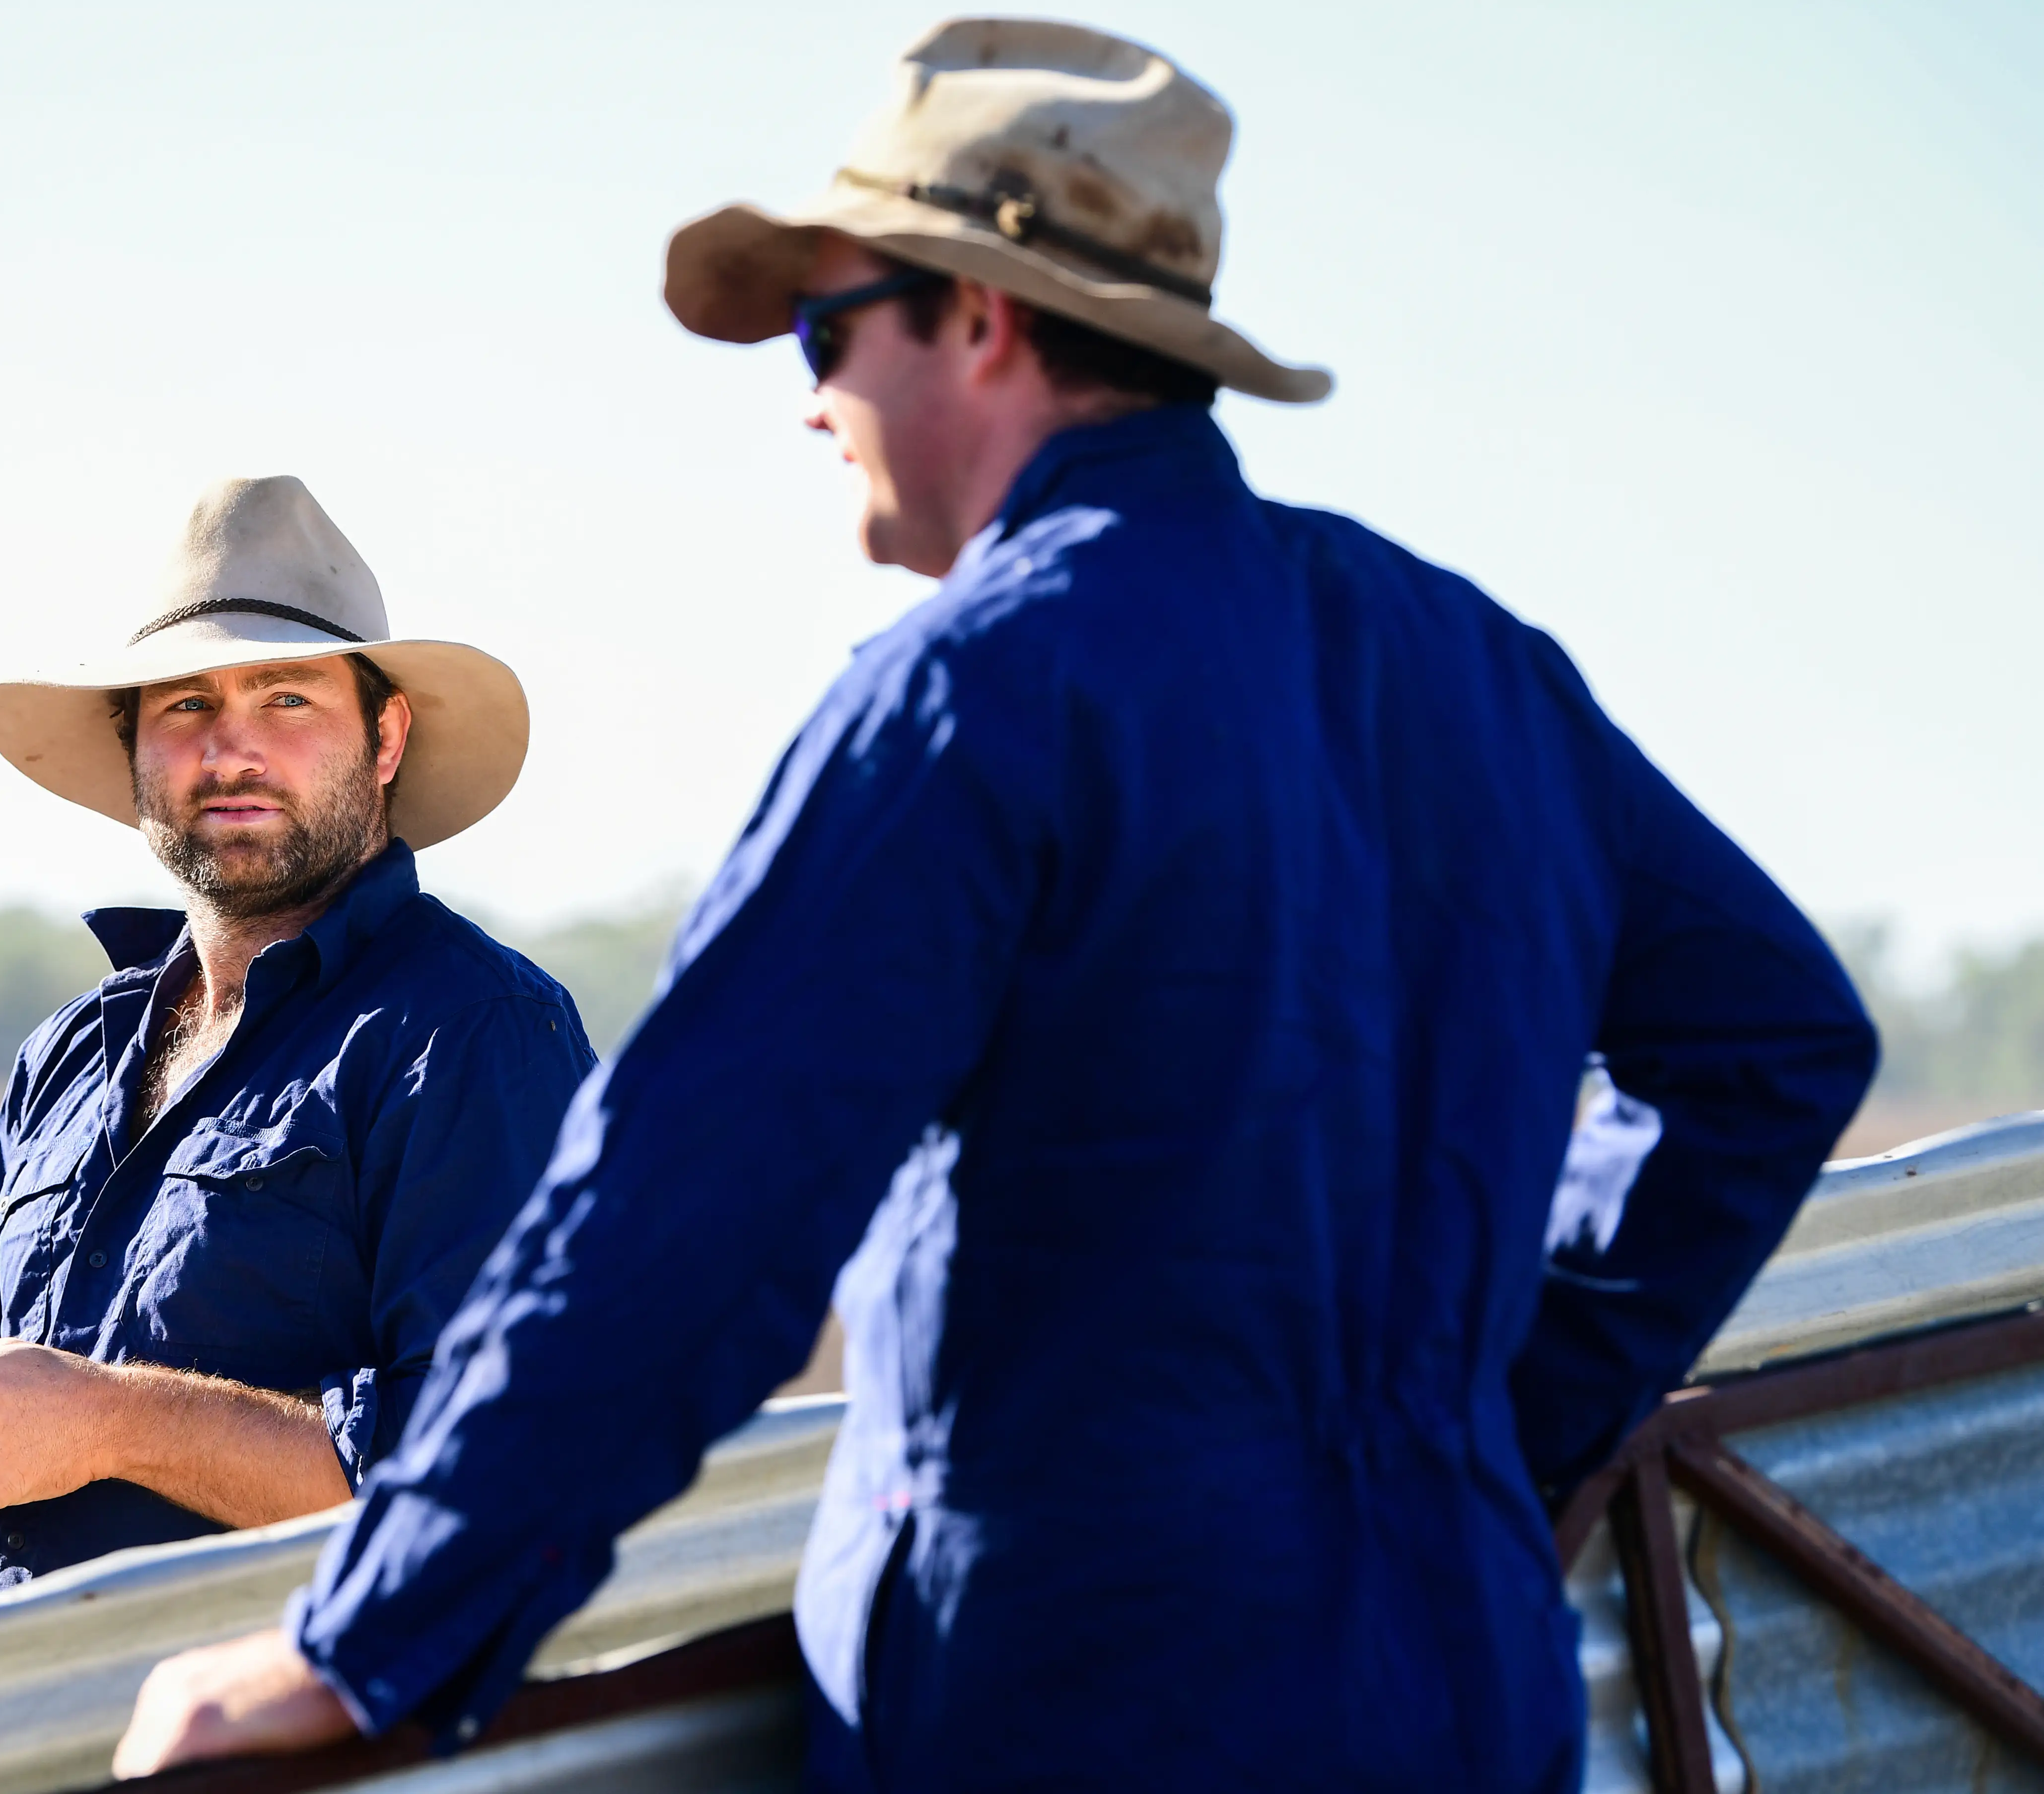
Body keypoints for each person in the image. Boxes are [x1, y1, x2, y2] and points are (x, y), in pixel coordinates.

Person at [112, 23, 1877, 1791]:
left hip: (1086, 1707)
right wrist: (1484, 1426)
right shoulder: (1472, 663)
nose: (810, 395)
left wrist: (373, 1641)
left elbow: (682, 1224)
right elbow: (1779, 1046)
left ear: (980, 314)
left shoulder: (971, 696)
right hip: (1468, 1693)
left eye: (826, 327)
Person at [0, 475, 593, 1596]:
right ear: (133, 749)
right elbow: (8, 1402)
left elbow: (496, 1471)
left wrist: (107, 1423)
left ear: (385, 737)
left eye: (286, 700)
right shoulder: (67, 1058)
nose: (232, 752)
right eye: (185, 707)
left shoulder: (473, 1034)